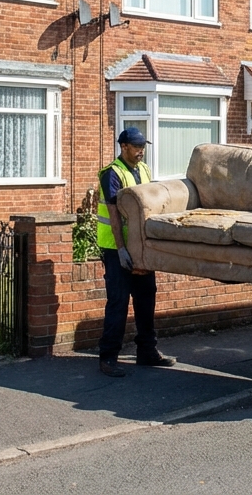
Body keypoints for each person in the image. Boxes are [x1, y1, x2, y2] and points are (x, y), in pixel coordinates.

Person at [96, 127, 176, 377]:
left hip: (140, 247)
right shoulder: (112, 173)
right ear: (124, 147)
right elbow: (114, 215)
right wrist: (121, 249)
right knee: (118, 302)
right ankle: (108, 357)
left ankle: (147, 352)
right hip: (116, 248)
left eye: (143, 146)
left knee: (146, 299)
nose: (141, 151)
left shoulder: (144, 170)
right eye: (137, 146)